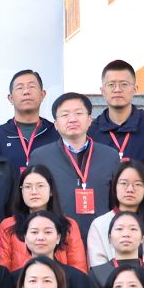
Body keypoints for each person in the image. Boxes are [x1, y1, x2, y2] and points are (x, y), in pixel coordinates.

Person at [29, 92, 121, 245]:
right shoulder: (40, 157)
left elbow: (116, 201)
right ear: (56, 124)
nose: (72, 119)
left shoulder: (110, 156)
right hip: (57, 240)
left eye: (78, 113)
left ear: (90, 120)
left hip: (102, 240)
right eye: (65, 115)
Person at [87, 160, 144, 288]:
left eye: (137, 184)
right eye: (123, 183)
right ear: (114, 186)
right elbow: (99, 268)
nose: (130, 189)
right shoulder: (99, 224)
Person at [0, 167, 88, 272]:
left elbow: (79, 270)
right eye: (28, 187)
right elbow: (3, 272)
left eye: (40, 186)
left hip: (62, 281)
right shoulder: (7, 226)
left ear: (51, 190)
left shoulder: (68, 225)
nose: (34, 192)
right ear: (21, 192)